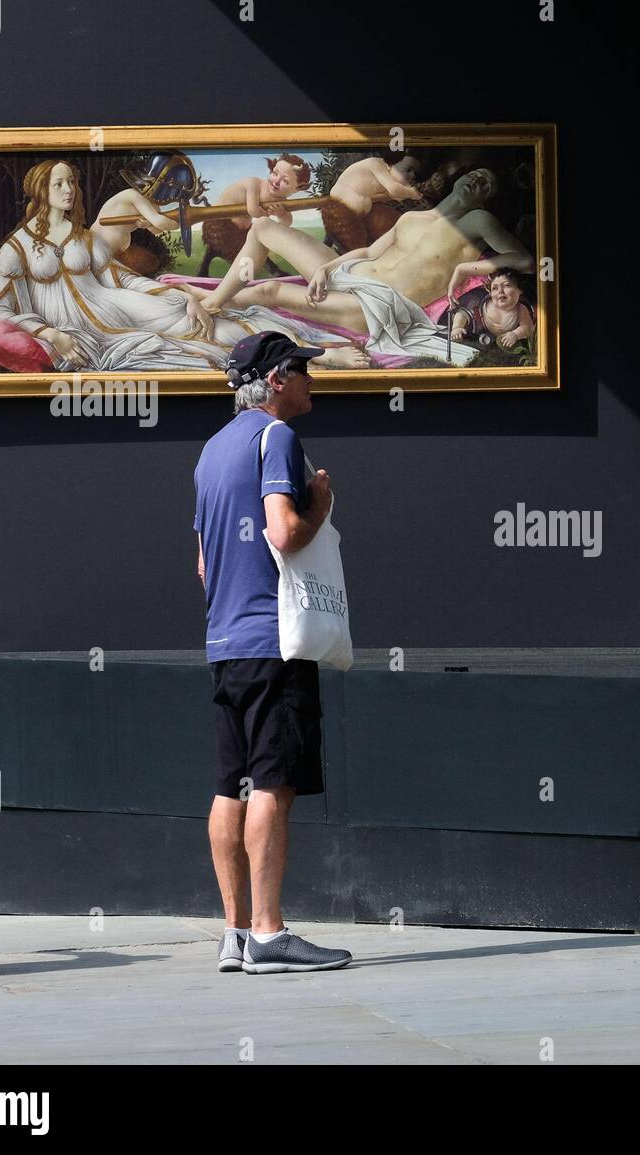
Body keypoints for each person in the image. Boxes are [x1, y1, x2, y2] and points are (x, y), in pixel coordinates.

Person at [193, 330, 353, 975]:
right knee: (274, 784)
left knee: (231, 786)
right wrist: (321, 506)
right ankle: (268, 932)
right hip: (274, 642)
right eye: (305, 371)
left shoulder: (210, 451)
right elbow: (283, 532)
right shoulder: (275, 437)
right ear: (279, 378)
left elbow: (205, 565)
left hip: (225, 642)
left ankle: (234, 934)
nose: (314, 381)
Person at [0, 159, 370, 372]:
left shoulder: (80, 237)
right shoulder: (17, 248)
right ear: (39, 190)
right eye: (58, 185)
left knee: (200, 317)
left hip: (114, 301)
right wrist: (50, 335)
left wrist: (180, 293)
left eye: (71, 183)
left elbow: (118, 279)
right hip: (80, 325)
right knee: (197, 342)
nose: (69, 191)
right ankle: (302, 356)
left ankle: (311, 352)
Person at [197, 167, 533, 365]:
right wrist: (325, 270)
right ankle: (210, 301)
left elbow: (526, 262)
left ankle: (208, 304)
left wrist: (469, 270)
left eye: (486, 184)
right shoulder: (412, 217)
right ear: (459, 180)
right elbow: (369, 251)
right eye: (475, 175)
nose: (478, 180)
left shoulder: (476, 221)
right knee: (263, 227)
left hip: (376, 304)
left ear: (485, 198)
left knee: (268, 290)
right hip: (351, 275)